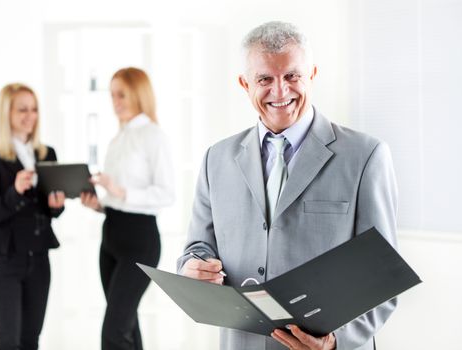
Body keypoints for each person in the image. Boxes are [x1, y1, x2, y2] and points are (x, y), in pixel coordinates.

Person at [177, 21, 398, 350]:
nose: (280, 91)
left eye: (292, 76)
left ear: (312, 74)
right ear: (244, 83)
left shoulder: (365, 156)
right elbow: (197, 248)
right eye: (264, 79)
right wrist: (192, 268)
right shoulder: (216, 159)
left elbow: (384, 275)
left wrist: (336, 341)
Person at [80, 67, 174, 350]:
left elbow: (167, 194)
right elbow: (116, 200)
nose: (115, 101)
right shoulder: (117, 138)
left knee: (113, 331)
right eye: (112, 95)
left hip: (139, 241)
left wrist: (121, 191)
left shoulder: (153, 135)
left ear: (138, 94)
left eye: (121, 94)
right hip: (111, 235)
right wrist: (99, 204)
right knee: (126, 324)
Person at [0, 83, 65, 350]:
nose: (30, 116)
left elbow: (50, 211)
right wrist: (14, 191)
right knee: (8, 342)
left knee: (30, 341)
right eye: (22, 109)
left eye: (34, 109)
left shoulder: (46, 154)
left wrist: (56, 205)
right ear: (6, 114)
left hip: (38, 260)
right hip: (3, 263)